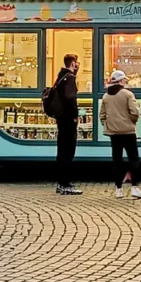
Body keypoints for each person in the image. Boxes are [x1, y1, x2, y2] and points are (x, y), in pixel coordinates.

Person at [100, 70, 141, 200]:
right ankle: (135, 187)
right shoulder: (127, 94)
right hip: (128, 132)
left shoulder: (106, 97)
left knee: (117, 160)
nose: (125, 81)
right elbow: (135, 112)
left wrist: (108, 125)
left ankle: (118, 189)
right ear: (120, 81)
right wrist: (131, 122)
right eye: (124, 80)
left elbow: (102, 115)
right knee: (133, 158)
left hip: (114, 133)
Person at [50, 54, 82, 195]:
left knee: (62, 150)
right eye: (77, 63)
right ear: (73, 63)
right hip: (68, 119)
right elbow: (70, 98)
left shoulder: (61, 77)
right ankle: (65, 184)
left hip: (61, 118)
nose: (78, 65)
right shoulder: (69, 78)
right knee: (68, 151)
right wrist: (75, 115)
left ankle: (61, 183)